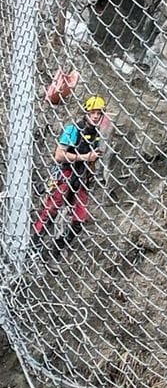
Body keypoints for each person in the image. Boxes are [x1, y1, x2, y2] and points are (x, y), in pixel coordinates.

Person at [31, 95, 107, 262]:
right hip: (66, 174)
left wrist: (91, 168)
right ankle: (33, 246)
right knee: (50, 211)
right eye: (93, 112)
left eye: (99, 113)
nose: (95, 116)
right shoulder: (73, 129)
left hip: (82, 178)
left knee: (79, 219)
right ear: (86, 112)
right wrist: (85, 157)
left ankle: (55, 251)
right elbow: (59, 155)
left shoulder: (96, 134)